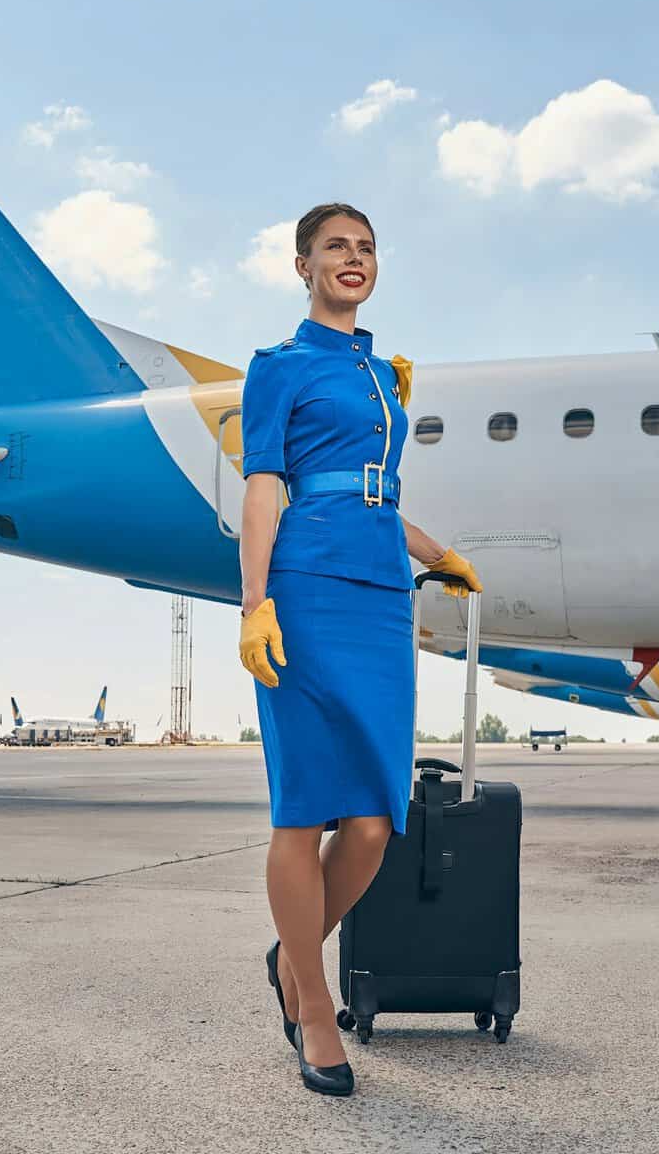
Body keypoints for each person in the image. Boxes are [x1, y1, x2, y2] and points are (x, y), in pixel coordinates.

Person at [236, 202, 483, 1096]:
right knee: (304, 812)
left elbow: (371, 491)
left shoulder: (383, 373)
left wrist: (434, 552)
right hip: (304, 589)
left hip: (380, 589)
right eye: (335, 247)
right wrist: (254, 605)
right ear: (303, 266)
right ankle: (311, 1004)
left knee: (375, 823)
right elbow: (270, 492)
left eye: (366, 248)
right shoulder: (279, 368)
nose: (353, 259)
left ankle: (289, 956)